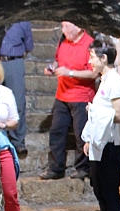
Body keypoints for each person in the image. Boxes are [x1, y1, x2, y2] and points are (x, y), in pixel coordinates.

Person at [81, 39, 120, 211]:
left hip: (111, 145)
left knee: (109, 191)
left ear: (103, 58)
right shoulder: (104, 81)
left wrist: (94, 112)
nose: (89, 61)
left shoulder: (115, 81)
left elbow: (119, 115)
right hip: (100, 144)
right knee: (99, 188)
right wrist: (90, 139)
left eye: (92, 57)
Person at [40, 21, 99, 180]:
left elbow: (93, 74)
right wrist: (52, 68)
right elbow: (57, 60)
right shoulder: (63, 41)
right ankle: (56, 168)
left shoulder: (89, 44)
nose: (63, 30)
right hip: (62, 95)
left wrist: (70, 73)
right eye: (63, 26)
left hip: (81, 96)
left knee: (82, 134)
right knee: (57, 131)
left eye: (66, 27)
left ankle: (83, 168)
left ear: (79, 28)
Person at [0, 62, 26, 211]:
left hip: (2, 146)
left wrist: (3, 124)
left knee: (10, 192)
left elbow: (15, 120)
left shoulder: (6, 93)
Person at [0, 21, 34, 159]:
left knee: (18, 101)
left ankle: (18, 140)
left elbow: (28, 45)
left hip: (14, 62)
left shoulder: (22, 22)